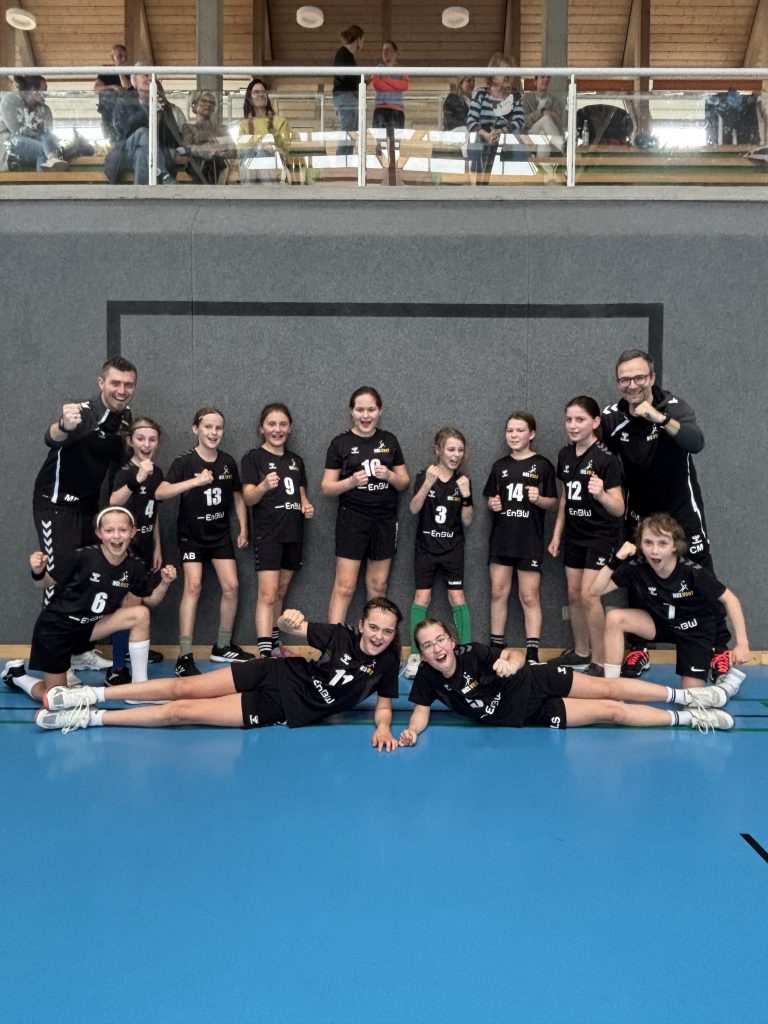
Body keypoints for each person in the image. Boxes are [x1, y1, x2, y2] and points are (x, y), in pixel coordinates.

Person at [35, 600, 403, 753]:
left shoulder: (387, 663)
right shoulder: (339, 636)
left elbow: (384, 706)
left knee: (181, 711)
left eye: (387, 632)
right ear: (361, 624)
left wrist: (384, 728)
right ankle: (89, 695)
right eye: (374, 627)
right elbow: (292, 626)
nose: (379, 636)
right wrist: (286, 620)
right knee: (183, 687)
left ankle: (90, 718)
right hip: (274, 672)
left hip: (280, 707)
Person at [396, 619, 744, 746]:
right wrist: (412, 732)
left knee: (609, 688)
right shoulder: (428, 676)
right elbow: (421, 712)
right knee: (611, 711)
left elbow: (515, 656)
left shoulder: (473, 653)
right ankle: (691, 718)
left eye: (440, 640)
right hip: (530, 715)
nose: (437, 649)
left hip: (537, 680)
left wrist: (509, 662)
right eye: (427, 645)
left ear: (451, 641)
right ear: (422, 654)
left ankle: (691, 696)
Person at [601, 348, 717, 677]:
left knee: (702, 575)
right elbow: (602, 458)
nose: (632, 384)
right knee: (636, 574)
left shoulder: (673, 407)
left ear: (652, 377)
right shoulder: (612, 417)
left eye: (639, 377)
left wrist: (659, 419)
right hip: (641, 513)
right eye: (625, 379)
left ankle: (718, 648)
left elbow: (696, 442)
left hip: (682, 510)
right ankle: (639, 649)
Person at [2, 507, 176, 704]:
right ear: (99, 533)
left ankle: (140, 690)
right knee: (58, 700)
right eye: (109, 530)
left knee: (141, 613)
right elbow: (45, 583)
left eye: (122, 530)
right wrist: (38, 571)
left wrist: (164, 583)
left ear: (133, 532)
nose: (116, 536)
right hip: (56, 631)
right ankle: (17, 676)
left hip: (89, 628)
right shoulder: (82, 557)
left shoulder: (134, 565)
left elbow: (151, 599)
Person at [32, 355, 138, 677]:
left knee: (87, 578)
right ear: (101, 382)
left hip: (89, 509)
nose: (121, 390)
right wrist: (63, 425)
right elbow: (52, 436)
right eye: (115, 383)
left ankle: (77, 651)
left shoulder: (124, 419)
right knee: (58, 580)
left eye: (128, 384)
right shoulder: (82, 413)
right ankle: (55, 662)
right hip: (56, 505)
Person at [591, 513, 750, 689]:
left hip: (694, 630)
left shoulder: (692, 572)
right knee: (615, 618)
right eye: (648, 542)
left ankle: (723, 685)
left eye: (662, 543)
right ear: (640, 544)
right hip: (660, 624)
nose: (654, 550)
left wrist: (742, 644)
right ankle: (611, 688)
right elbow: (595, 591)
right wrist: (616, 559)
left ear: (675, 546)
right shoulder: (637, 567)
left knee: (691, 698)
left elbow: (731, 600)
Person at [155, 407, 252, 676]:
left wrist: (243, 528)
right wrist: (194, 482)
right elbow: (160, 492)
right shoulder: (185, 462)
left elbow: (237, 495)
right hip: (191, 535)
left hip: (219, 535)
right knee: (193, 586)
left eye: (218, 427)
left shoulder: (228, 462)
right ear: (196, 429)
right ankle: (184, 655)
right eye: (208, 427)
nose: (213, 432)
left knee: (232, 586)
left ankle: (222, 645)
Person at [547, 397, 624, 676]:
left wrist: (601, 494)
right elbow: (566, 497)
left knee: (590, 596)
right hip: (575, 535)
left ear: (595, 422)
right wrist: (557, 533)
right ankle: (581, 652)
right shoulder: (565, 455)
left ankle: (601, 661)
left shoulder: (606, 458)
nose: (573, 425)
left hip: (600, 536)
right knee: (573, 595)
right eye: (569, 419)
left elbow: (619, 508)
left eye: (580, 419)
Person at [322, 387, 409, 625]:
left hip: (384, 519)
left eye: (371, 409)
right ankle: (334, 641)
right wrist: (350, 482)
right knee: (345, 586)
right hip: (352, 518)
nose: (366, 415)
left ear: (380, 411)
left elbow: (404, 482)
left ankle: (374, 640)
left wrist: (389, 475)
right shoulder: (340, 443)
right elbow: (327, 487)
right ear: (351, 412)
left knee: (378, 585)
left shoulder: (389, 440)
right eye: (360, 410)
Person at [240, 404, 314, 659]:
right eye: (271, 424)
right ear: (262, 427)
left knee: (281, 592)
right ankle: (264, 654)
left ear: (290, 428)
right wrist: (262, 486)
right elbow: (248, 497)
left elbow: (301, 494)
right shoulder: (253, 457)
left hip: (293, 532)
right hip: (268, 533)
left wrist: (306, 506)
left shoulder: (296, 461)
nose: (277, 429)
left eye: (283, 424)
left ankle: (274, 646)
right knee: (268, 594)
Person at [483, 411, 558, 662]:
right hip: (502, 539)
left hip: (529, 541)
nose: (514, 435)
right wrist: (492, 503)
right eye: (510, 430)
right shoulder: (500, 466)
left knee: (529, 596)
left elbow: (553, 503)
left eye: (520, 430)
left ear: (532, 434)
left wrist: (539, 499)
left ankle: (533, 652)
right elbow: (491, 497)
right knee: (498, 592)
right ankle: (496, 647)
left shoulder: (543, 465)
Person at [404, 427, 473, 679]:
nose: (455, 455)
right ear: (438, 450)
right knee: (422, 597)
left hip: (452, 549)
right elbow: (413, 509)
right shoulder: (424, 475)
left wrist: (466, 496)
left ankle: (466, 652)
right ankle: (416, 655)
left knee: (457, 596)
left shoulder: (463, 480)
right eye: (450, 449)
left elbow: (467, 520)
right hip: (426, 548)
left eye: (460, 450)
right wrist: (428, 483)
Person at [108, 416, 166, 682]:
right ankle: (117, 668)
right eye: (141, 438)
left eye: (152, 439)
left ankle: (133, 649)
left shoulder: (158, 473)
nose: (146, 444)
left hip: (145, 547)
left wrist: (157, 546)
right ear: (130, 440)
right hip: (124, 549)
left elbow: (154, 514)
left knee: (140, 602)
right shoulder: (124, 471)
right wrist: (137, 478)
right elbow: (113, 502)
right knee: (128, 606)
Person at [105, 71, 186, 184]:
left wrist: (159, 117)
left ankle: (143, 194)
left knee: (141, 154)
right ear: (134, 81)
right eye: (145, 74)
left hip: (151, 154)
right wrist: (148, 111)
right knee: (143, 132)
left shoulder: (162, 106)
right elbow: (121, 130)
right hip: (125, 151)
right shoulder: (123, 102)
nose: (150, 78)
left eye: (152, 76)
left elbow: (172, 139)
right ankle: (164, 174)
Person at [466, 53, 524, 174]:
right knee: (478, 144)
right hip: (482, 141)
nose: (508, 76)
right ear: (492, 75)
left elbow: (519, 121)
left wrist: (502, 132)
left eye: (510, 72)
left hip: (505, 142)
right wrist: (486, 134)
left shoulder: (515, 96)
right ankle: (479, 179)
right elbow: (471, 121)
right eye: (504, 71)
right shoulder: (480, 95)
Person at [0, 75, 67, 172]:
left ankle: (50, 165)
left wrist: (42, 129)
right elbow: (16, 131)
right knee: (43, 150)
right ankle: (48, 169)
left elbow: (49, 133)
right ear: (33, 90)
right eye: (43, 91)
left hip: (37, 142)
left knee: (45, 141)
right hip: (9, 142)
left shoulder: (45, 110)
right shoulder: (10, 100)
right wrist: (37, 131)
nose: (46, 94)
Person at [237, 78, 291, 184]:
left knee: (262, 152)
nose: (261, 95)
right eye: (256, 92)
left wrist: (272, 129)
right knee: (250, 153)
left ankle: (265, 191)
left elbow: (286, 149)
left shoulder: (280, 121)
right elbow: (240, 151)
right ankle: (249, 191)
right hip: (250, 165)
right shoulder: (245, 124)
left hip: (274, 165)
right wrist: (249, 133)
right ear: (250, 98)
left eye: (263, 92)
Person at [181, 90, 236, 184]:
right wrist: (205, 150)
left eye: (211, 102)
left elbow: (233, 151)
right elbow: (188, 148)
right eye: (204, 100)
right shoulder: (188, 128)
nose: (208, 104)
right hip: (199, 172)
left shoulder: (222, 129)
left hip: (221, 171)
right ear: (194, 104)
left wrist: (218, 153)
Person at [332, 24, 364, 155]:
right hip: (345, 96)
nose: (363, 44)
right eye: (362, 40)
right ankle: (341, 158)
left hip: (347, 96)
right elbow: (346, 76)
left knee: (352, 128)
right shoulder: (344, 54)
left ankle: (346, 157)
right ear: (357, 39)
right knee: (349, 128)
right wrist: (359, 80)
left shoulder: (346, 55)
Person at [94, 43, 131, 145]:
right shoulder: (106, 70)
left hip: (125, 114)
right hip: (108, 112)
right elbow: (96, 89)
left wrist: (120, 71)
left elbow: (128, 89)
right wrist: (113, 87)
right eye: (119, 56)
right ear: (112, 58)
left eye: (125, 56)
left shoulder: (130, 71)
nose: (123, 59)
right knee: (110, 141)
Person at [372, 41, 409, 133]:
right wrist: (395, 85)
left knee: (395, 141)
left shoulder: (401, 70)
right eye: (383, 50)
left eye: (388, 50)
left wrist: (386, 79)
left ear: (395, 53)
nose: (385, 52)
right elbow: (376, 84)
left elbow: (404, 85)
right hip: (380, 109)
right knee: (379, 140)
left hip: (397, 111)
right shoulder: (377, 68)